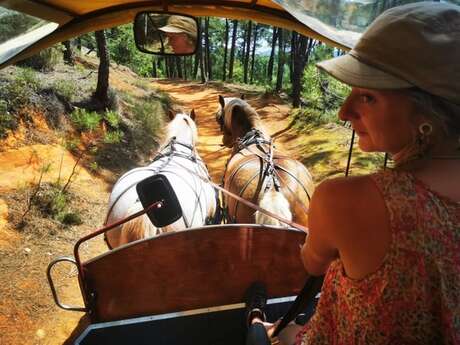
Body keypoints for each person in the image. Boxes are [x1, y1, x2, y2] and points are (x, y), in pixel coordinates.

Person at [257, 2, 460, 344]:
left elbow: (312, 263)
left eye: (367, 97)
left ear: (428, 111)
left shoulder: (343, 200)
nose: (343, 111)